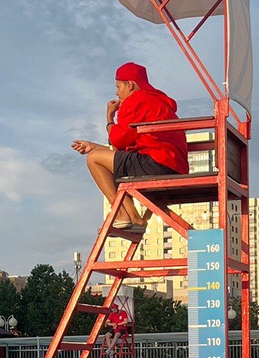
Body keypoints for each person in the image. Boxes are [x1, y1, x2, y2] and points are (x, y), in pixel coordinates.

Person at [71, 62, 188, 233]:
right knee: (102, 158)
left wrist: (109, 117)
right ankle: (132, 216)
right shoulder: (156, 102)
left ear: (130, 85)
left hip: (157, 163)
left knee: (93, 159)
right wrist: (93, 146)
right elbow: (125, 149)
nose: (117, 93)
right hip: (171, 164)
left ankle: (123, 214)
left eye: (118, 87)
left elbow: (118, 141)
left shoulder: (136, 100)